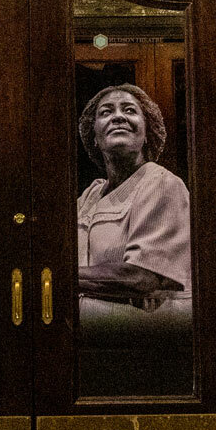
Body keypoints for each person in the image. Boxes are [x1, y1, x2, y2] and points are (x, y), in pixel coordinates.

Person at [75, 83, 192, 309]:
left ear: (148, 133)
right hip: (88, 337)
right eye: (106, 112)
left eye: (129, 110)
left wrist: (54, 277)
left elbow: (141, 278)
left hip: (138, 337)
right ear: (94, 138)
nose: (118, 116)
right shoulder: (91, 194)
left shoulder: (162, 184)